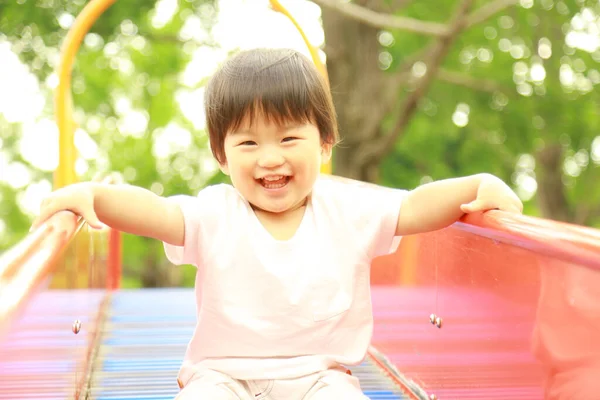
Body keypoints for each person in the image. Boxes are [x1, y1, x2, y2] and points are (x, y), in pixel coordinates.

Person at [32, 48, 523, 399]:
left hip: (320, 377)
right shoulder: (215, 213)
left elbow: (414, 208)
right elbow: (155, 212)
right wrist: (93, 194)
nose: (270, 158)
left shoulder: (347, 208)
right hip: (220, 376)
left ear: (325, 143)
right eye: (248, 143)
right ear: (222, 155)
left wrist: (474, 185)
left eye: (289, 138)